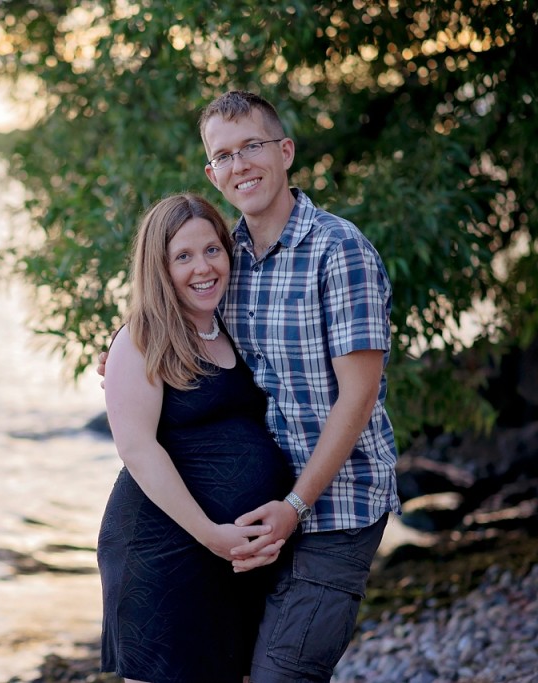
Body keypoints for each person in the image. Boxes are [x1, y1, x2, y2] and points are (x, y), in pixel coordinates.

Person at [99, 91, 401, 682]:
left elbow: (359, 397)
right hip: (252, 531)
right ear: (212, 172)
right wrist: (124, 349)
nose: (240, 165)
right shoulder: (228, 257)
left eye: (253, 147)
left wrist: (293, 505)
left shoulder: (340, 253)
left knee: (282, 675)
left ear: (285, 151)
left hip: (334, 506)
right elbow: (172, 307)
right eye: (224, 155)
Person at [97, 193, 295, 683]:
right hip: (164, 551)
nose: (202, 267)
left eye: (212, 250)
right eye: (182, 256)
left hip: (231, 556)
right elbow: (138, 450)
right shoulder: (142, 337)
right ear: (158, 268)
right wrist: (214, 536)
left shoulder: (234, 327)